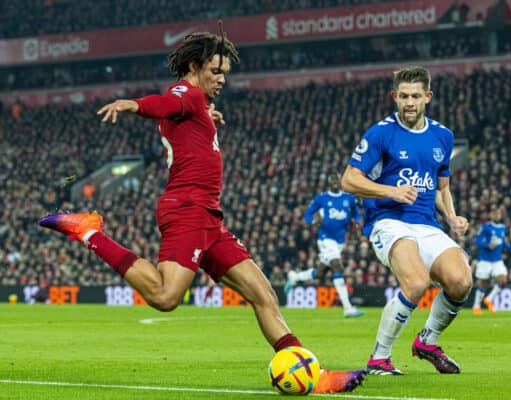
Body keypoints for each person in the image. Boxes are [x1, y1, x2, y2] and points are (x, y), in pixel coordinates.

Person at [39, 26, 365, 393]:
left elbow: (184, 119)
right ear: (195, 66)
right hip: (187, 210)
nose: (223, 78)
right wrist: (133, 105)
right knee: (165, 297)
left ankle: (314, 375)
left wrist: (211, 120)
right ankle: (87, 230)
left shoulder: (199, 106)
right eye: (216, 70)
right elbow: (166, 103)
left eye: (225, 72)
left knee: (264, 294)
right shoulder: (186, 93)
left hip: (209, 217)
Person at [341, 66, 472, 375]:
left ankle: (427, 341)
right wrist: (390, 191)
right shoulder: (380, 133)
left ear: (427, 96)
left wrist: (452, 218)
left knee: (460, 281)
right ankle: (379, 358)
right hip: (388, 221)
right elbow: (349, 180)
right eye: (403, 96)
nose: (409, 103)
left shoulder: (443, 136)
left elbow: (442, 188)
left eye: (415, 96)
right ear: (394, 97)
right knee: (416, 283)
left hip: (427, 224)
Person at [284, 172, 364, 318]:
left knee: (320, 273)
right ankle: (348, 308)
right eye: (332, 180)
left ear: (340, 182)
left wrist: (358, 220)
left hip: (340, 241)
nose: (335, 182)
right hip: (325, 239)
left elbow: (356, 213)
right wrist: (314, 222)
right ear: (329, 182)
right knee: (337, 266)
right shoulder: (322, 198)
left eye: (336, 180)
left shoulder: (349, 198)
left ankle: (294, 277)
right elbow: (308, 215)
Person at [472, 205, 511, 314]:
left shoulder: (503, 227)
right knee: (483, 282)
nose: (497, 215)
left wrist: (510, 248)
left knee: (503, 281)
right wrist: (487, 245)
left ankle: (489, 299)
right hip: (485, 259)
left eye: (498, 213)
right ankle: (476, 306)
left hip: (497, 259)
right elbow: (477, 240)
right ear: (491, 215)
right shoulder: (486, 227)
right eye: (495, 213)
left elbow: (502, 241)